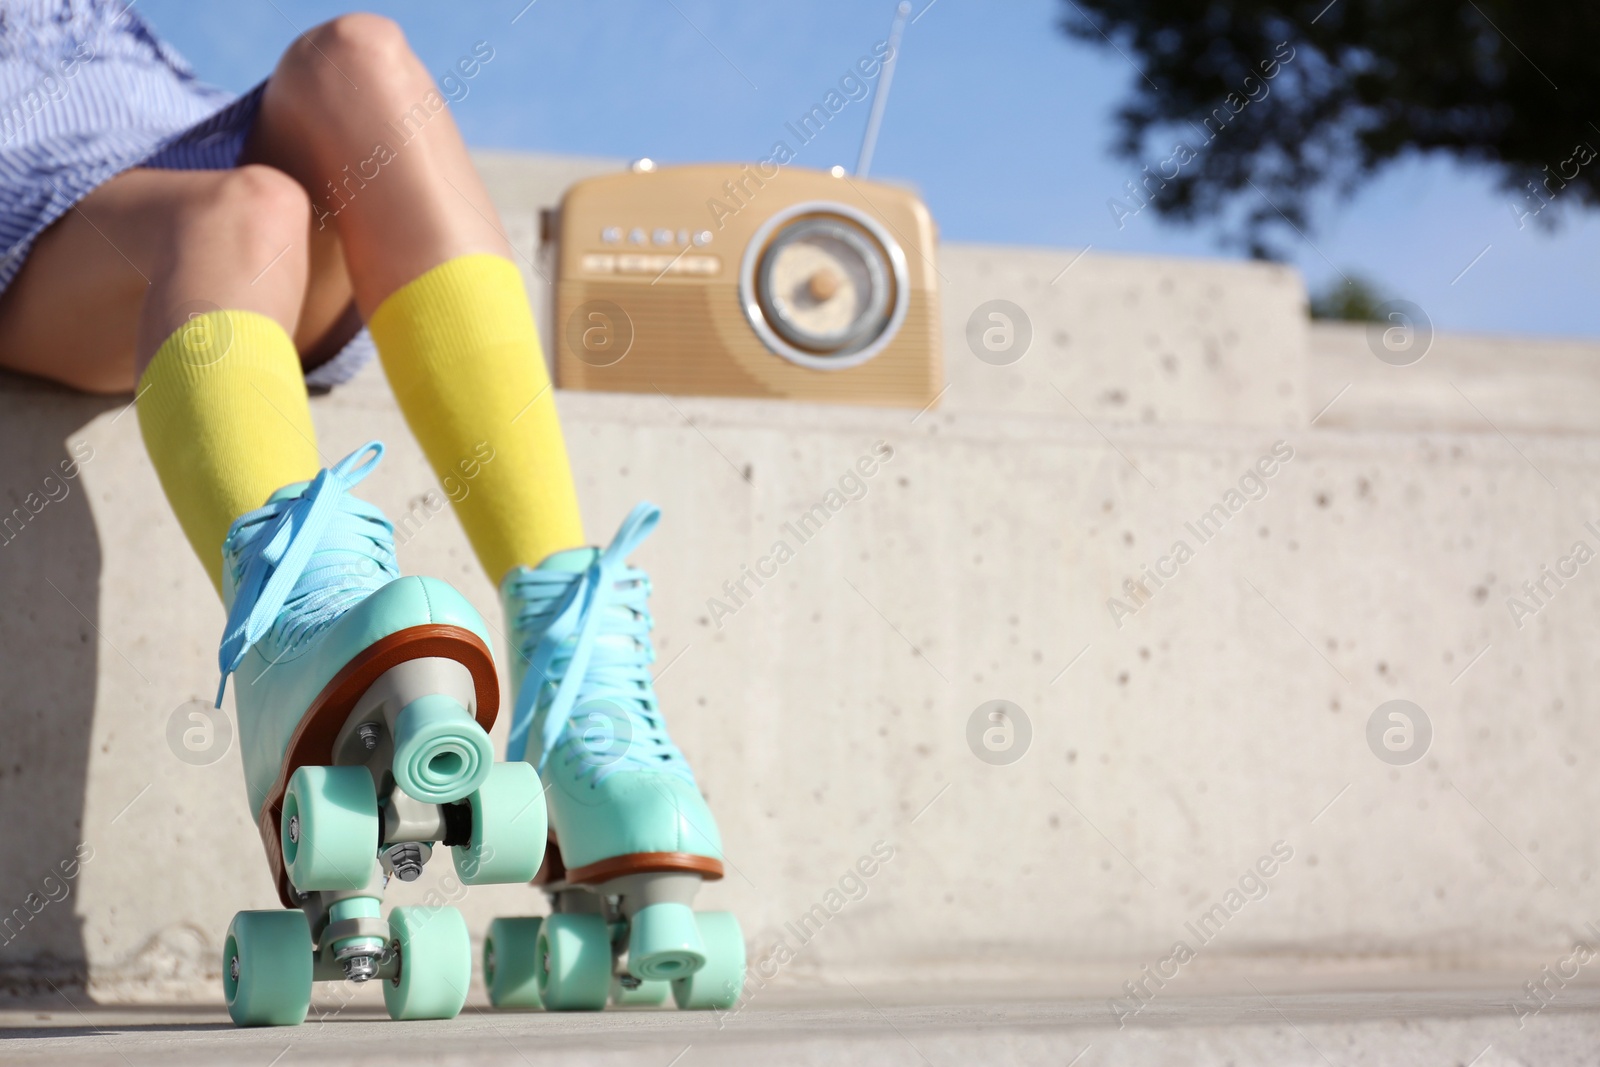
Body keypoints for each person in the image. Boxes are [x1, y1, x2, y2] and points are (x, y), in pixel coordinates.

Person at [0, 3, 740, 1024]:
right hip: (33, 182)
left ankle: (576, 683)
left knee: (356, 54)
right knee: (240, 211)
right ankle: (293, 623)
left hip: (157, 117)